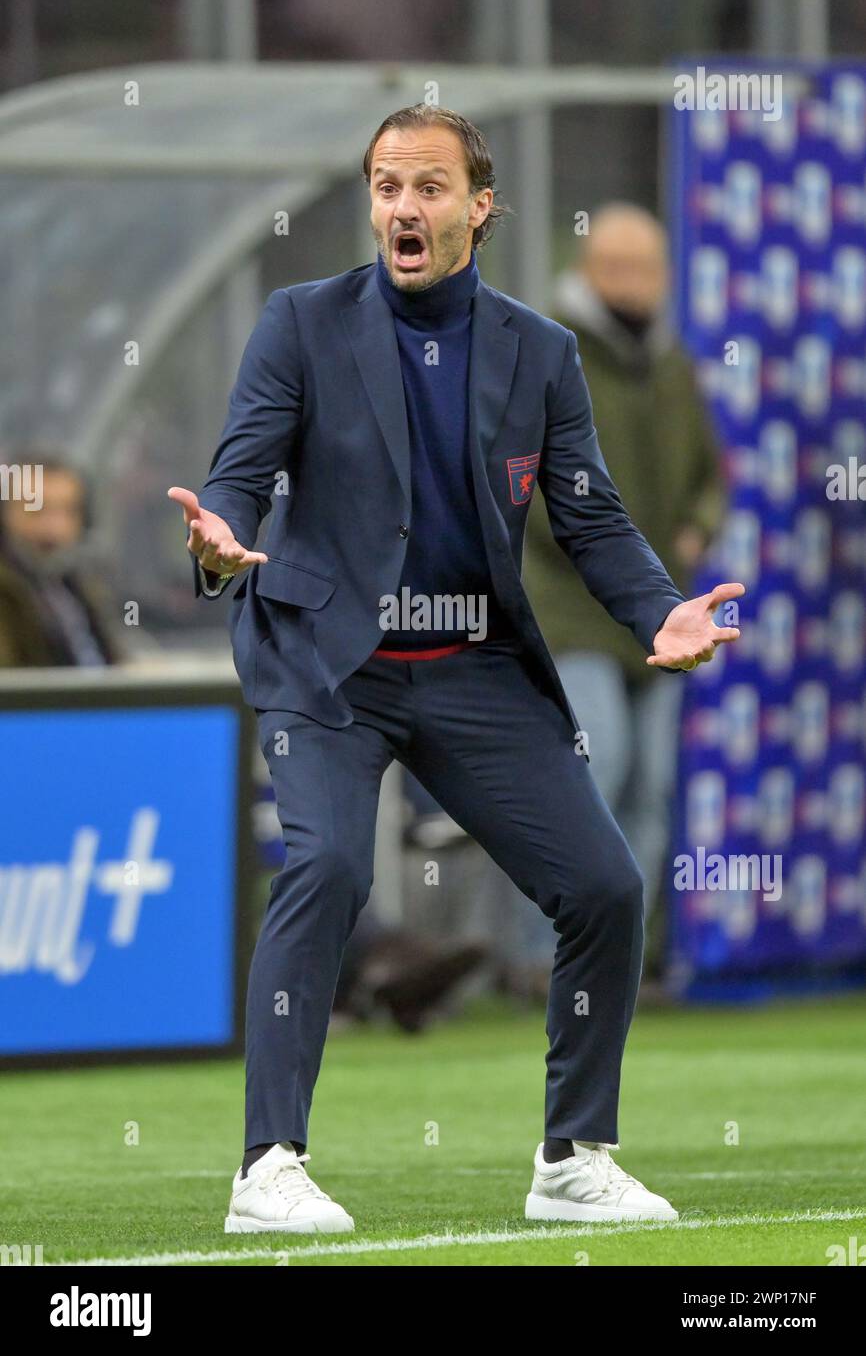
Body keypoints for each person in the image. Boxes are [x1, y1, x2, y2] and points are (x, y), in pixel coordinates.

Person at [168, 105, 743, 1233]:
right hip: (326, 660)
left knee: (606, 887)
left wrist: (657, 613)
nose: (401, 208)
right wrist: (222, 539)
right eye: (385, 186)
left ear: (477, 207)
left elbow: (591, 519)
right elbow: (236, 475)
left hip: (470, 659)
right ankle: (266, 1165)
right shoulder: (300, 323)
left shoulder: (540, 350)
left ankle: (572, 1156)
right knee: (328, 868)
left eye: (427, 188)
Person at [517, 204, 727, 965]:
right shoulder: (547, 348)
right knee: (590, 769)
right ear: (589, 268)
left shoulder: (672, 363)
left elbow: (710, 473)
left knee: (652, 785)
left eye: (648, 267)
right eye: (619, 266)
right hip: (570, 607)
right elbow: (524, 485)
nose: (635, 283)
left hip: (665, 612)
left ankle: (621, 961)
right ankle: (544, 956)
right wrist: (599, 552)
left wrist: (698, 526)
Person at [0, 453, 123, 668]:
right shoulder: (8, 593)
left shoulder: (75, 584)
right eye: (36, 510)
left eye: (69, 511)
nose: (55, 530)